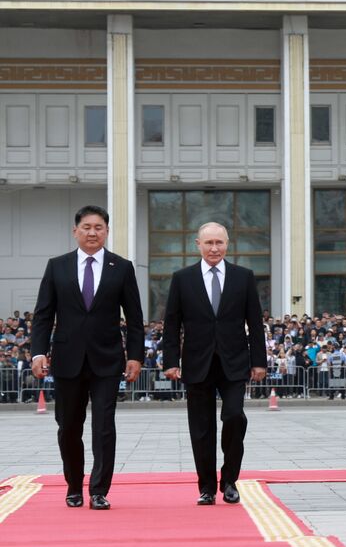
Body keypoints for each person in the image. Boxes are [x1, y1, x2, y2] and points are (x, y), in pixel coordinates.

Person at [29, 205, 145, 510]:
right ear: (75, 231)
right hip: (67, 359)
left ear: (106, 231)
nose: (92, 232)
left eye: (99, 227)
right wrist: (38, 352)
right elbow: (43, 315)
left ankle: (98, 490)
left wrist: (135, 356)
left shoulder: (121, 267)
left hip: (107, 359)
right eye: (86, 227)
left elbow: (134, 318)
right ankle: (73, 485)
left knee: (104, 425)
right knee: (68, 426)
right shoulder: (58, 266)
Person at [161, 222, 267, 505]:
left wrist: (259, 361)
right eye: (208, 243)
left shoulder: (243, 277)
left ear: (227, 244)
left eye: (219, 242)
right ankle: (206, 486)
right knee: (201, 427)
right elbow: (172, 323)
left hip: (234, 362)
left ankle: (229, 478)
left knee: (234, 417)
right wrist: (170, 360)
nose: (214, 248)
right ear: (198, 244)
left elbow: (255, 323)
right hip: (197, 363)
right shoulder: (182, 278)